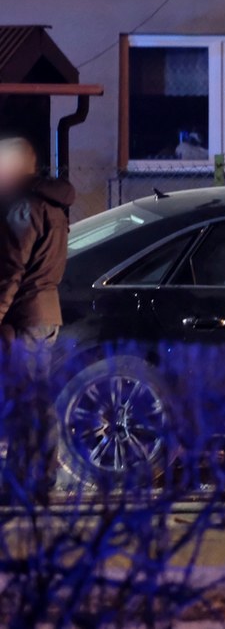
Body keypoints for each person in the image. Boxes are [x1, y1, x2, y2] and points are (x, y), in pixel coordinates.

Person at [0, 135, 75, 499]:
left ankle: (26, 479)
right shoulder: (53, 206)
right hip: (46, 314)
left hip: (26, 316)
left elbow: (11, 268)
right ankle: (37, 478)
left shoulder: (24, 208)